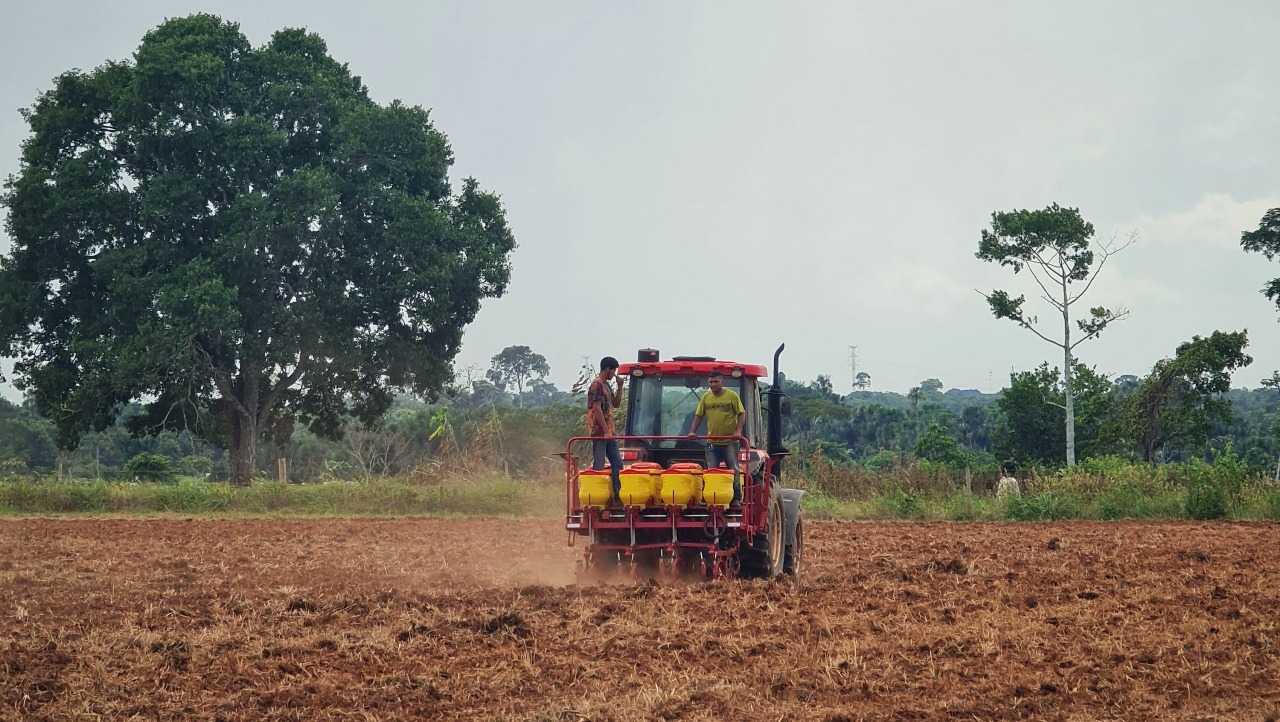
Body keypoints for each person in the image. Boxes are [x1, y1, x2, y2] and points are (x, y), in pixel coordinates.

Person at [687, 371, 745, 506]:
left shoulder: (732, 396)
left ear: (722, 382)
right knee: (712, 471)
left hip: (730, 441)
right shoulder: (706, 398)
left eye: (716, 382)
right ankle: (711, 498)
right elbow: (699, 415)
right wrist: (692, 431)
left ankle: (735, 498)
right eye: (710, 382)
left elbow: (741, 413)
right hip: (712, 442)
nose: (713, 384)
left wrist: (738, 431)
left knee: (734, 468)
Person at [587, 356, 625, 503]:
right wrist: (605, 430)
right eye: (613, 370)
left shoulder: (606, 386)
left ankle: (617, 496)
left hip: (609, 432)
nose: (614, 374)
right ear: (608, 369)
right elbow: (597, 409)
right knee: (599, 464)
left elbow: (616, 404)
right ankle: (596, 498)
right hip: (600, 432)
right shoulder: (596, 385)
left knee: (617, 464)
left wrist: (620, 387)